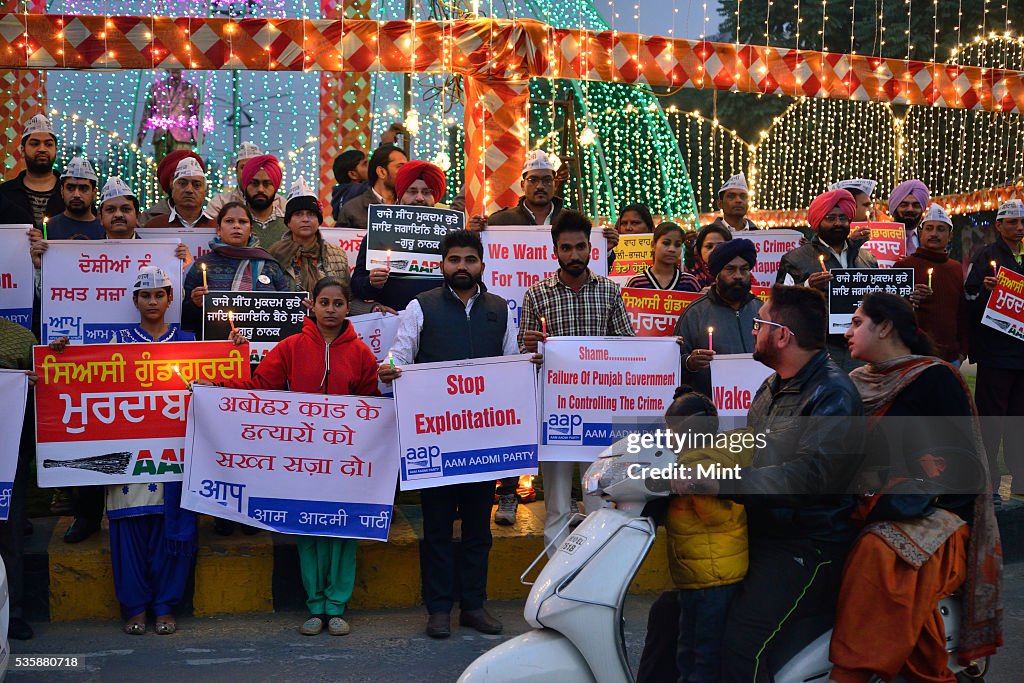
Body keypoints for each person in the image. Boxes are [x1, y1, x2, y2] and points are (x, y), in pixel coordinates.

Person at [672, 285, 865, 682]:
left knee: (741, 645)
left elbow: (808, 478)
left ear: (782, 335)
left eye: (760, 323)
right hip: (759, 530)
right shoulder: (772, 385)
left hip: (808, 543)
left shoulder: (833, 394)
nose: (754, 330)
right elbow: (750, 447)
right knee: (669, 617)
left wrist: (720, 482)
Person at [829, 292, 1001, 681]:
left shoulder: (935, 377)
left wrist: (905, 485)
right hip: (871, 501)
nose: (847, 331)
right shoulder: (855, 382)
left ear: (885, 327)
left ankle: (851, 671)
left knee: (883, 552)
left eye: (857, 323)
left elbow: (960, 467)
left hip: (937, 513)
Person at [379, 229, 528, 639]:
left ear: (482, 264)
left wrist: (530, 365)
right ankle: (439, 609)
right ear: (442, 264)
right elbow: (399, 357)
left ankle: (474, 607)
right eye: (454, 260)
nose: (461, 267)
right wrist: (388, 370)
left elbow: (512, 364)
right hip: (435, 440)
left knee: (479, 529)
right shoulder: (419, 307)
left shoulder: (500, 309)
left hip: (483, 440)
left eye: (469, 260)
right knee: (439, 527)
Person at [219, 277, 379, 637]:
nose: (331, 310)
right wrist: (217, 389)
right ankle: (315, 605)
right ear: (312, 305)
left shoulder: (362, 353)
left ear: (347, 307)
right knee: (308, 528)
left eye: (338, 304)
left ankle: (336, 606)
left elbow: (373, 406)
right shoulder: (290, 346)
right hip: (302, 460)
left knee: (342, 529)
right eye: (324, 302)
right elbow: (262, 387)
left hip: (346, 461)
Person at [48, 267, 199, 636]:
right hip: (126, 458)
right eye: (145, 296)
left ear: (169, 299)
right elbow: (82, 379)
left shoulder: (190, 341)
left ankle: (164, 606)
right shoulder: (114, 344)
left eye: (158, 295)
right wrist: (59, 353)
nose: (152, 301)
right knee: (128, 534)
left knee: (169, 534)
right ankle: (134, 606)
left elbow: (215, 382)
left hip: (173, 454)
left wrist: (235, 348)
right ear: (135, 301)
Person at [519, 210, 635, 550]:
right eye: (566, 248)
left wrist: (663, 352)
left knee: (599, 499)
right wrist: (527, 347)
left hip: (598, 412)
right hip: (555, 413)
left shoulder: (610, 291)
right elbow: (523, 355)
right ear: (555, 250)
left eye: (580, 247)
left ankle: (593, 575)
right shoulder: (536, 294)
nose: (574, 255)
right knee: (555, 504)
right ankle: (555, 579)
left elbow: (627, 346)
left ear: (591, 249)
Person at [663, 387, 750, 683]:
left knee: (700, 656)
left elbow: (715, 515)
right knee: (694, 652)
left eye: (672, 431)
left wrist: (682, 491)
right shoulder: (721, 450)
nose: (669, 438)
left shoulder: (696, 464)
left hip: (710, 576)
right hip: (709, 573)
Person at [776, 189, 878, 372]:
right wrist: (807, 287)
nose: (838, 223)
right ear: (818, 222)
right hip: (820, 355)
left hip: (864, 355)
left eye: (843, 217)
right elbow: (780, 306)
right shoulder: (795, 259)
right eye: (830, 218)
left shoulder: (867, 259)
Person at [965, 198, 1024, 497]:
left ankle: (1021, 478)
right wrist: (986, 294)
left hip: (1022, 357)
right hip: (996, 355)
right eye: (1012, 222)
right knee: (990, 422)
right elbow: (969, 300)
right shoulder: (986, 256)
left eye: (1022, 222)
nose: (1018, 227)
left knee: (1019, 421)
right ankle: (988, 480)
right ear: (999, 225)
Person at [350, 160, 447, 312]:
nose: (420, 198)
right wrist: (371, 283)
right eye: (412, 191)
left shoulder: (450, 237)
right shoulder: (378, 234)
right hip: (392, 321)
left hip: (438, 321)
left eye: (427, 192)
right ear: (400, 196)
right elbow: (357, 285)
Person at [181, 202, 289, 336]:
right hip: (216, 346)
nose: (236, 226)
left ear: (251, 230)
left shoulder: (269, 265)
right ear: (219, 230)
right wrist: (195, 303)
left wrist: (303, 307)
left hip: (263, 346)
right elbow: (184, 317)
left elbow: (288, 309)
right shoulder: (203, 264)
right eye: (229, 221)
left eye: (243, 222)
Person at [674, 238, 762, 396]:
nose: (738, 276)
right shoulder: (695, 313)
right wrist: (690, 363)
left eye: (744, 269)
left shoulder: (762, 310)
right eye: (730, 269)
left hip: (759, 404)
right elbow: (673, 363)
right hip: (712, 409)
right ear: (717, 274)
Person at [0, 316, 39, 640]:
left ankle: (12, 614)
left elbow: (41, 393)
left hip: (8, 455)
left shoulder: (21, 338)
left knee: (10, 536)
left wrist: (27, 385)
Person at [896, 203, 968, 365]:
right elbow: (893, 311)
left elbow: (961, 312)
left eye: (940, 229)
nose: (934, 234)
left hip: (951, 356)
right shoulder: (904, 266)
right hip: (913, 354)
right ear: (920, 233)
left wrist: (963, 349)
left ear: (950, 235)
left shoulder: (955, 268)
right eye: (929, 228)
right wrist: (909, 297)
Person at [0, 114, 64, 228]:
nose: (42, 149)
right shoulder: (4, 194)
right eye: (35, 144)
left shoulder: (71, 194)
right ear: (23, 151)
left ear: (56, 150)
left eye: (48, 144)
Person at [204, 142, 286, 221]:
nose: (248, 172)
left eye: (253, 167)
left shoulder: (281, 205)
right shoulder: (220, 203)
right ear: (236, 170)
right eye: (244, 167)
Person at [135, 69, 203, 159]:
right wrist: (141, 133)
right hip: (161, 136)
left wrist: (199, 136)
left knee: (181, 168)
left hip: (183, 137)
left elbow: (198, 113)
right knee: (163, 169)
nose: (175, 69)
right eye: (172, 67)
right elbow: (147, 113)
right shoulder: (156, 88)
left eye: (178, 67)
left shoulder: (191, 89)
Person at [336, 144, 407, 229]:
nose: (406, 172)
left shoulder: (409, 206)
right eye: (400, 167)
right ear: (381, 172)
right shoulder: (352, 209)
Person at [488, 149, 565, 227]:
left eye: (547, 180)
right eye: (533, 180)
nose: (540, 186)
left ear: (556, 184)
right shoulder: (502, 221)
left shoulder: (571, 221)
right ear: (522, 185)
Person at [142, 156, 216, 230]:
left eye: (196, 185)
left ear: (205, 192)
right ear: (173, 188)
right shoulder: (154, 226)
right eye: (182, 183)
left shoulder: (217, 227)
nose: (189, 190)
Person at [625, 221, 700, 292]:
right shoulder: (636, 282)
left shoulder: (690, 282)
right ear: (653, 245)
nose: (672, 249)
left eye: (677, 245)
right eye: (666, 243)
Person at [46, 157, 103, 240]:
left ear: (94, 193)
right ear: (62, 191)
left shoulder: (104, 230)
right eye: (70, 188)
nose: (76, 195)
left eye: (83, 188)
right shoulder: (46, 228)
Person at [237, 154, 287, 247]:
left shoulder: (288, 225)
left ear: (275, 188)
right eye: (254, 183)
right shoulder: (234, 224)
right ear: (245, 186)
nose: (260, 189)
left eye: (267, 184)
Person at [684, 224, 732, 289]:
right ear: (699, 250)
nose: (714, 250)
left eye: (720, 246)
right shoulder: (688, 277)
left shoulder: (738, 271)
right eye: (709, 247)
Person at [888, 179, 930, 254]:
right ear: (895, 208)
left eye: (916, 206)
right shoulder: (881, 238)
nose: (910, 209)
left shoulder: (929, 238)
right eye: (904, 205)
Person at [330, 149, 369, 222]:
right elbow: (378, 182)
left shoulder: (343, 194)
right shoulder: (356, 191)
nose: (370, 167)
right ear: (353, 174)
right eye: (365, 164)